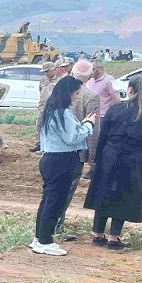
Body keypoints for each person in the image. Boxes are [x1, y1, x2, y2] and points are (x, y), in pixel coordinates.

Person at [85, 74, 142, 248]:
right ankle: (114, 237)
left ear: (130, 89)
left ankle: (97, 234)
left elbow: (102, 136)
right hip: (133, 160)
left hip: (109, 156)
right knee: (122, 195)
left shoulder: (115, 109)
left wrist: (96, 158)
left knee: (104, 191)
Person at [32, 77, 96, 257]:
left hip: (51, 159)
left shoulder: (52, 111)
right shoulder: (63, 113)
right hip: (61, 161)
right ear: (68, 93)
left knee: (48, 200)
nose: (77, 97)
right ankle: (45, 241)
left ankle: (39, 238)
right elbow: (72, 138)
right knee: (54, 201)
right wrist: (89, 124)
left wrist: (82, 125)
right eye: (76, 93)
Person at [52, 61, 100, 241]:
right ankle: (56, 225)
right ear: (89, 76)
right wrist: (93, 155)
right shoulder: (91, 96)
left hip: (54, 148)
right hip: (75, 150)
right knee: (66, 190)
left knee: (52, 190)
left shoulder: (56, 89)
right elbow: (94, 128)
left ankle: (49, 223)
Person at [32, 59, 69, 153]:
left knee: (50, 126)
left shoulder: (59, 80)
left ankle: (47, 146)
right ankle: (39, 144)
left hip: (53, 107)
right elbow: (41, 91)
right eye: (44, 72)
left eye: (47, 71)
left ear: (53, 70)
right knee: (39, 124)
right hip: (42, 106)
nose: (45, 74)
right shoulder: (43, 80)